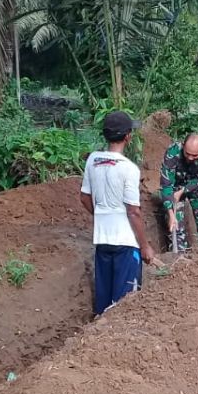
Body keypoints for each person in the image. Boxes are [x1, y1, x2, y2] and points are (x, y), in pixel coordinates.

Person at [79, 111, 158, 317]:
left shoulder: (93, 160)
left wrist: (101, 216)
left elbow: (84, 198)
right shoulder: (128, 168)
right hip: (126, 243)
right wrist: (145, 246)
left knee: (104, 301)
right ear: (128, 137)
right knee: (125, 306)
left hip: (102, 240)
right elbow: (133, 212)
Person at [160, 133, 198, 252]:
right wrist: (171, 214)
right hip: (175, 187)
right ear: (183, 146)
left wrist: (183, 191)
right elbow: (166, 185)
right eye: (187, 154)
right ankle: (179, 257)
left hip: (195, 185)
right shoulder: (173, 153)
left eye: (195, 155)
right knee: (176, 228)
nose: (190, 158)